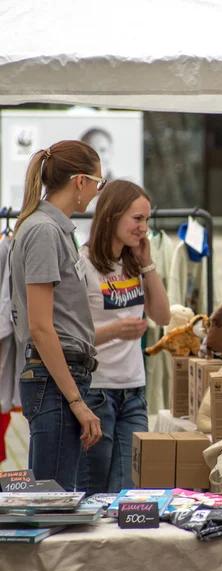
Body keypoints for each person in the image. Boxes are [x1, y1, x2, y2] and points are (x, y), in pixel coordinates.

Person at [9, 140, 104, 491]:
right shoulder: (45, 231)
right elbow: (40, 326)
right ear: (80, 181)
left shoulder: (52, 229)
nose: (97, 191)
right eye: (98, 182)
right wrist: (77, 402)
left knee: (56, 496)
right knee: (51, 500)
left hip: (59, 376)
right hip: (55, 377)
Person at [77, 179, 171, 494]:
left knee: (130, 492)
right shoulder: (82, 263)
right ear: (111, 216)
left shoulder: (133, 263)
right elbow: (71, 337)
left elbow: (163, 315)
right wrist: (115, 331)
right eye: (137, 219)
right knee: (93, 493)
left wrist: (147, 264)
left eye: (146, 219)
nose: (143, 227)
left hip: (134, 392)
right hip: (95, 394)